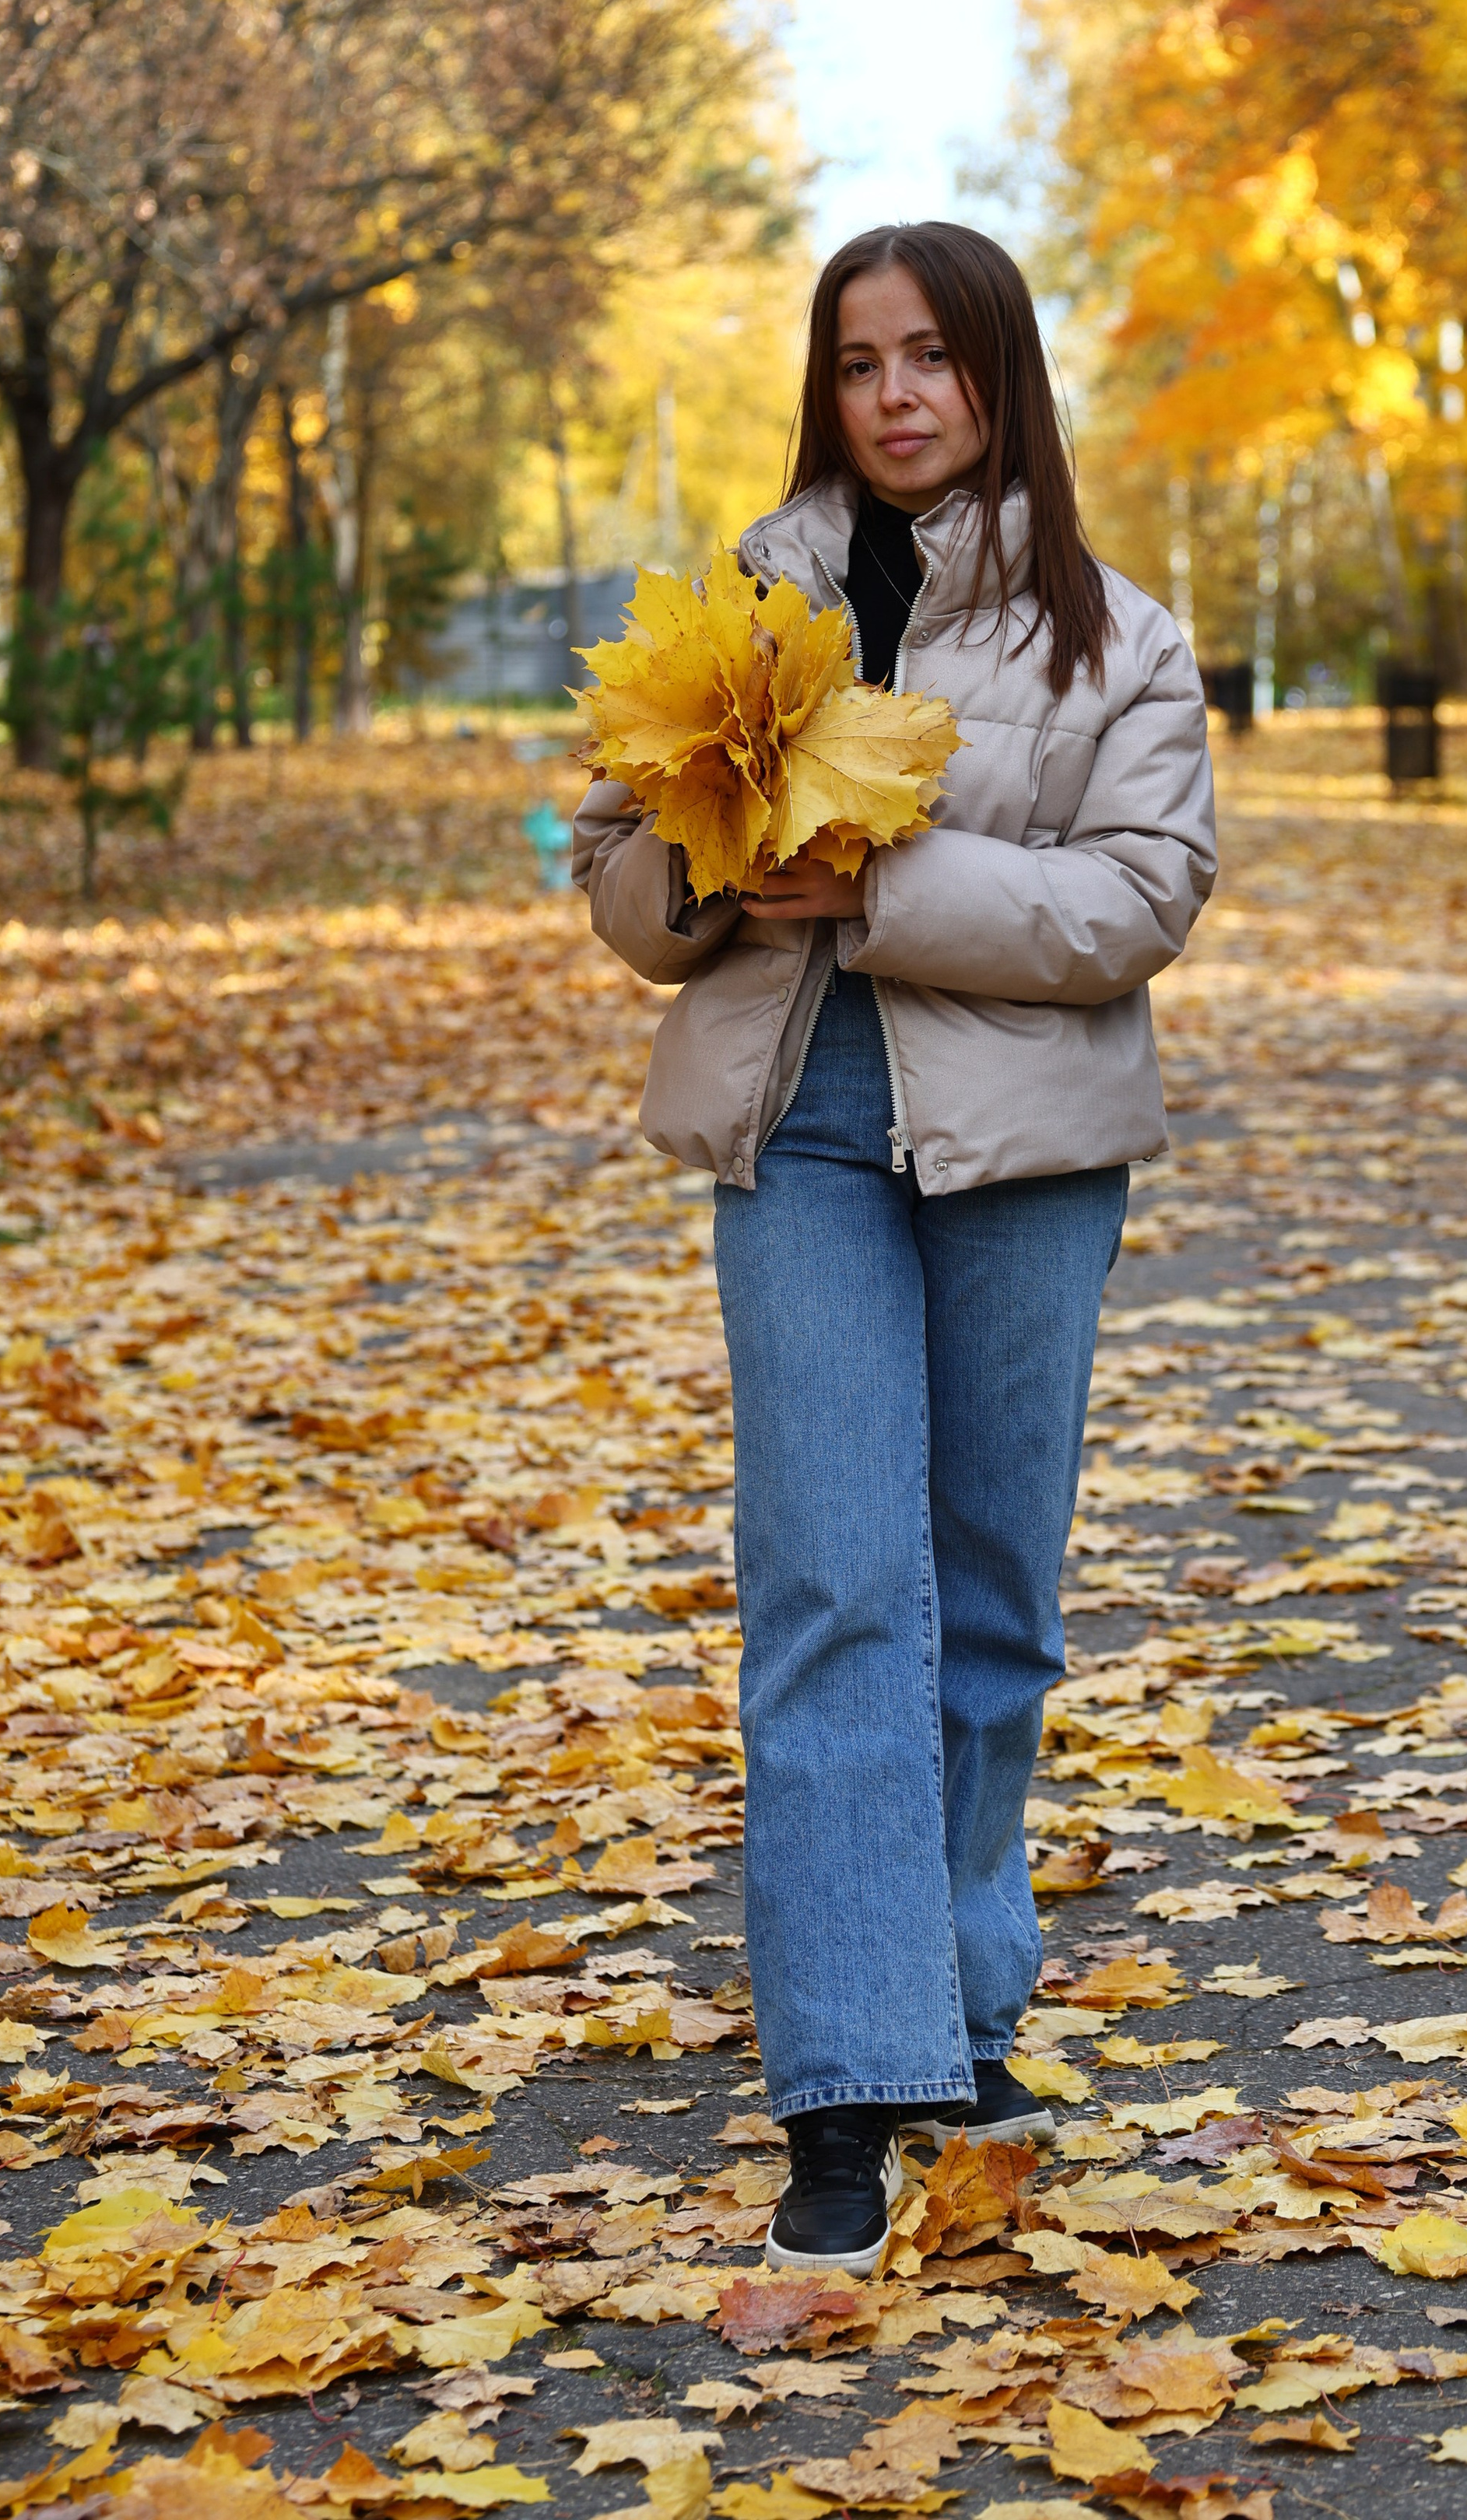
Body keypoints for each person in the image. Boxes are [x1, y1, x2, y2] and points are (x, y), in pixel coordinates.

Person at [573, 223, 1217, 2273]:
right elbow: (617, 862)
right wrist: (702, 870)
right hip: (806, 1126)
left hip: (1029, 1149)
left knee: (992, 1592)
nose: (895, 395)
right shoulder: (746, 599)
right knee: (837, 1580)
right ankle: (849, 2077)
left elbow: (1138, 899)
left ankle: (966, 2003)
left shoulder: (1119, 638)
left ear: (1000, 374)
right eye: (858, 363)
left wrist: (878, 881)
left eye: (931, 356)